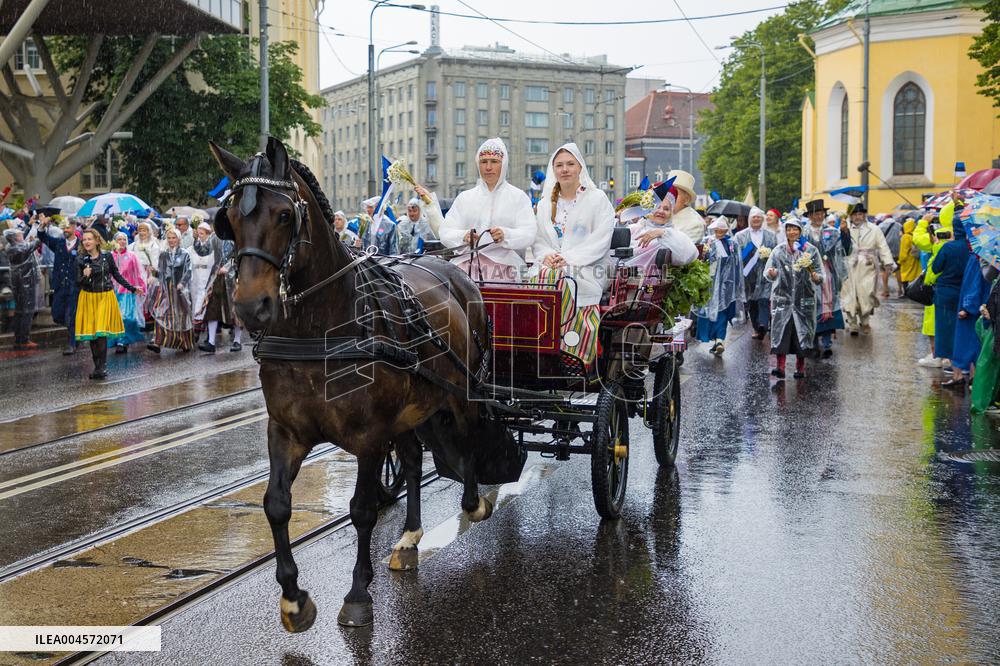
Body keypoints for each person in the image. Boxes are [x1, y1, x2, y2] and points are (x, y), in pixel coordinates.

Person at [424, 137, 536, 281]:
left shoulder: (518, 197)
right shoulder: (465, 198)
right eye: (484, 162)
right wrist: (464, 236)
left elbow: (529, 233)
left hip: (504, 270)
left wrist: (505, 234)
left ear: (504, 164)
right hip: (465, 268)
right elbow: (446, 231)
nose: (488, 167)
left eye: (494, 162)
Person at [764, 218, 825, 379]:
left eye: (795, 229)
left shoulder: (810, 250)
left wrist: (816, 276)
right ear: (785, 231)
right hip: (782, 299)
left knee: (802, 334)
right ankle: (780, 367)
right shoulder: (778, 250)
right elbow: (769, 271)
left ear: (800, 230)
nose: (792, 232)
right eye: (789, 229)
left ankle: (800, 367)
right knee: (781, 333)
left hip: (803, 299)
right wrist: (772, 273)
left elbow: (820, 274)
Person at [75, 228, 138, 379]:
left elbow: (116, 275)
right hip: (88, 298)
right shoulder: (80, 259)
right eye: (84, 240)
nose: (87, 242)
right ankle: (96, 366)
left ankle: (102, 367)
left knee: (101, 332)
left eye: (89, 239)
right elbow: (78, 283)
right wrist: (84, 276)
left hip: (105, 297)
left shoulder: (106, 256)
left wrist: (132, 288)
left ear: (97, 241)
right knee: (92, 334)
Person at [840, 202, 896, 335]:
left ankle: (865, 321)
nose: (858, 217)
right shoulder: (844, 228)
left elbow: (883, 246)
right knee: (849, 295)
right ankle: (852, 322)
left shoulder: (874, 229)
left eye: (860, 214)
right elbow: (839, 248)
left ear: (864, 215)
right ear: (851, 216)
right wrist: (843, 232)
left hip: (867, 266)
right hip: (850, 265)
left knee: (866, 294)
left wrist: (888, 262)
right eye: (855, 214)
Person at [803, 198, 848, 357]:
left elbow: (844, 251)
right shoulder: (802, 232)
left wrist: (844, 233)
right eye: (815, 214)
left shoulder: (832, 232)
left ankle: (827, 339)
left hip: (827, 272)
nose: (819, 216)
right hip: (809, 272)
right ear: (809, 216)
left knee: (828, 302)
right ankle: (813, 340)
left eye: (821, 213)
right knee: (812, 304)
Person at [695, 217, 745, 355]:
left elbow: (737, 266)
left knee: (722, 312)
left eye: (722, 228)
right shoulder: (707, 241)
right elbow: (699, 261)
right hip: (708, 285)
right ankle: (715, 340)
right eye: (717, 228)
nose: (719, 231)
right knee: (708, 312)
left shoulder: (732, 244)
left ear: (726, 229)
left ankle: (719, 340)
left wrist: (736, 285)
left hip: (725, 286)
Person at [930, 218, 970, 380]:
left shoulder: (948, 247)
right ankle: (964, 367)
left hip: (945, 293)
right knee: (961, 331)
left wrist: (938, 245)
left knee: (946, 332)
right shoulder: (971, 248)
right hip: (963, 294)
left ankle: (954, 371)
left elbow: (935, 267)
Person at [942, 255, 991, 388]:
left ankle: (960, 376)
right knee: (980, 343)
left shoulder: (976, 258)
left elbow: (973, 285)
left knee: (968, 342)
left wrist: (967, 307)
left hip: (974, 309)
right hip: (986, 304)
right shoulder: (992, 258)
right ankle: (975, 378)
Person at [148, 226, 194, 353]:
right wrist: (154, 273)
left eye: (174, 238)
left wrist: (182, 284)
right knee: (161, 313)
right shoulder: (163, 255)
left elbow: (189, 271)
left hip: (180, 290)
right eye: (169, 238)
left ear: (178, 239)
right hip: (166, 289)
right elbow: (162, 273)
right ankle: (157, 342)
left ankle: (185, 342)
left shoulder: (185, 254)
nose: (171, 240)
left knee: (181, 315)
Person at [38, 216, 81, 354]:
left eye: (68, 227)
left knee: (71, 316)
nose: (65, 230)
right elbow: (42, 237)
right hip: (60, 285)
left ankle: (72, 343)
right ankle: (76, 331)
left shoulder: (82, 244)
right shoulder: (58, 243)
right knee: (57, 314)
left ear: (74, 227)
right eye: (64, 228)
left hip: (75, 286)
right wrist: (42, 226)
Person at [735, 206, 778, 339]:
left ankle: (763, 324)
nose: (756, 219)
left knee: (764, 299)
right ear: (749, 219)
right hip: (748, 275)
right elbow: (737, 256)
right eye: (754, 217)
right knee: (751, 303)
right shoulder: (740, 236)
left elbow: (775, 254)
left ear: (762, 219)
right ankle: (756, 327)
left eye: (759, 217)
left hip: (765, 274)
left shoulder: (771, 235)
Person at [3, 223, 41, 350]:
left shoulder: (10, 247)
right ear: (15, 238)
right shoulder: (19, 248)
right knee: (26, 312)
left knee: (19, 311)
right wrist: (36, 235)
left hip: (18, 283)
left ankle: (18, 339)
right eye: (19, 235)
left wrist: (28, 227)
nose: (22, 236)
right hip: (26, 283)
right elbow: (36, 243)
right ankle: (24, 340)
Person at [201, 236, 243, 353]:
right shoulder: (214, 238)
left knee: (235, 309)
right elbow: (205, 253)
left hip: (234, 277)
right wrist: (199, 240)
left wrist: (228, 267)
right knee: (212, 308)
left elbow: (241, 255)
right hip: (217, 278)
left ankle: (237, 341)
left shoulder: (236, 236)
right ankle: (211, 342)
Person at [108, 231, 147, 353]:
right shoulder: (109, 256)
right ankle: (116, 339)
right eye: (119, 239)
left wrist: (141, 287)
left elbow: (138, 273)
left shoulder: (132, 256)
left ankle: (123, 340)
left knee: (126, 317)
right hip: (112, 291)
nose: (122, 242)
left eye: (124, 239)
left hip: (127, 290)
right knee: (115, 317)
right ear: (115, 241)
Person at [187, 222, 219, 334]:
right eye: (198, 233)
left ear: (207, 234)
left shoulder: (212, 248)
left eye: (202, 233)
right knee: (194, 298)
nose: (200, 235)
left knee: (203, 298)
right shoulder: (192, 248)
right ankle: (195, 324)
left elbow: (216, 262)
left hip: (207, 275)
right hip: (195, 276)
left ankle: (199, 323)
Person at [666, 169, 706, 243]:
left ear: (687, 199)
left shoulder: (694, 224)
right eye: (667, 193)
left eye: (675, 194)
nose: (670, 198)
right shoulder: (662, 215)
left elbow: (682, 251)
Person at [878, 214, 903, 298]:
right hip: (897, 251)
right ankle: (900, 289)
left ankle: (886, 291)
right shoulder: (899, 225)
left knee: (885, 271)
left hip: (885, 252)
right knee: (898, 270)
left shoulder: (881, 226)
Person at [897, 218, 921, 291]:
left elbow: (903, 251)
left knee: (905, 276)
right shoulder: (915, 235)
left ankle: (906, 292)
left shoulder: (905, 236)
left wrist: (900, 261)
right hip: (915, 258)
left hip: (907, 261)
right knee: (914, 275)